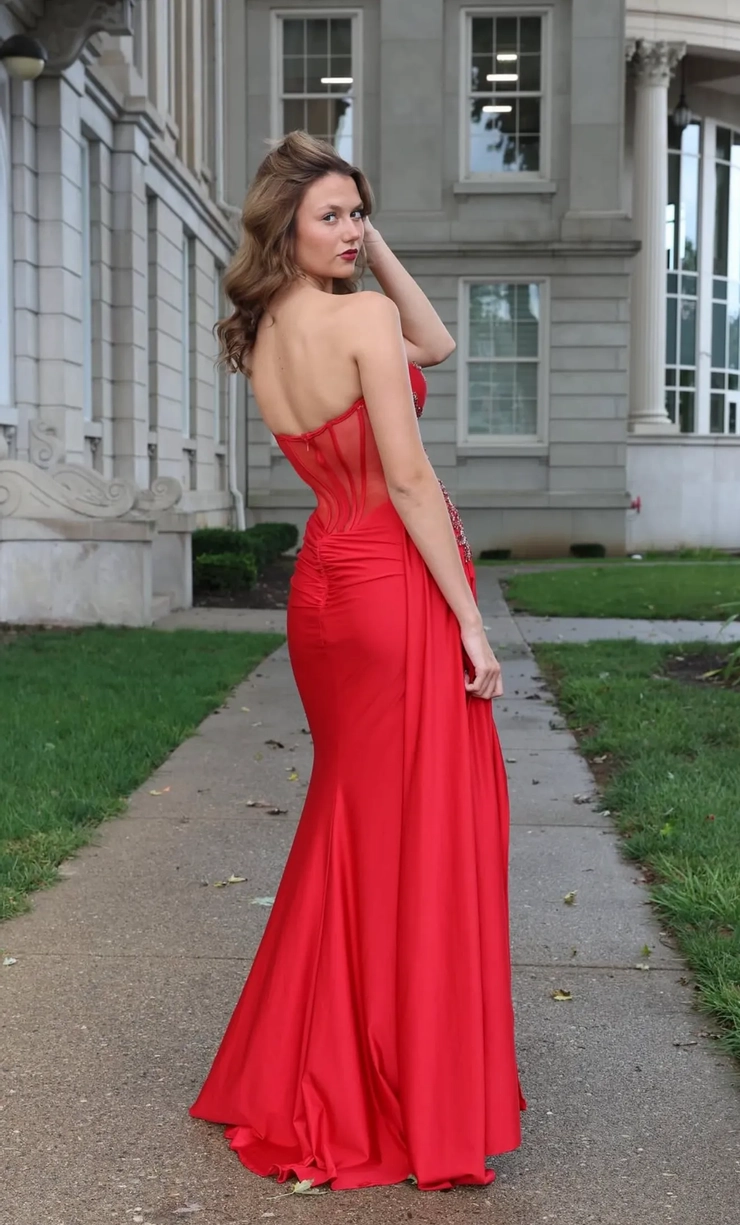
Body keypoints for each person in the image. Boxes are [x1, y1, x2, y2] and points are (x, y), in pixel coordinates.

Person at [189, 130, 527, 1192]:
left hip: (323, 594)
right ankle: (386, 1084)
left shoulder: (266, 329)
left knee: (351, 823)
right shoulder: (360, 321)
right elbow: (411, 479)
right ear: (284, 225)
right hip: (392, 592)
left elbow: (438, 343)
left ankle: (314, 1060)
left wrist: (368, 246)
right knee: (416, 833)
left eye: (358, 212)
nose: (350, 229)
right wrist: (469, 620)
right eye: (330, 216)